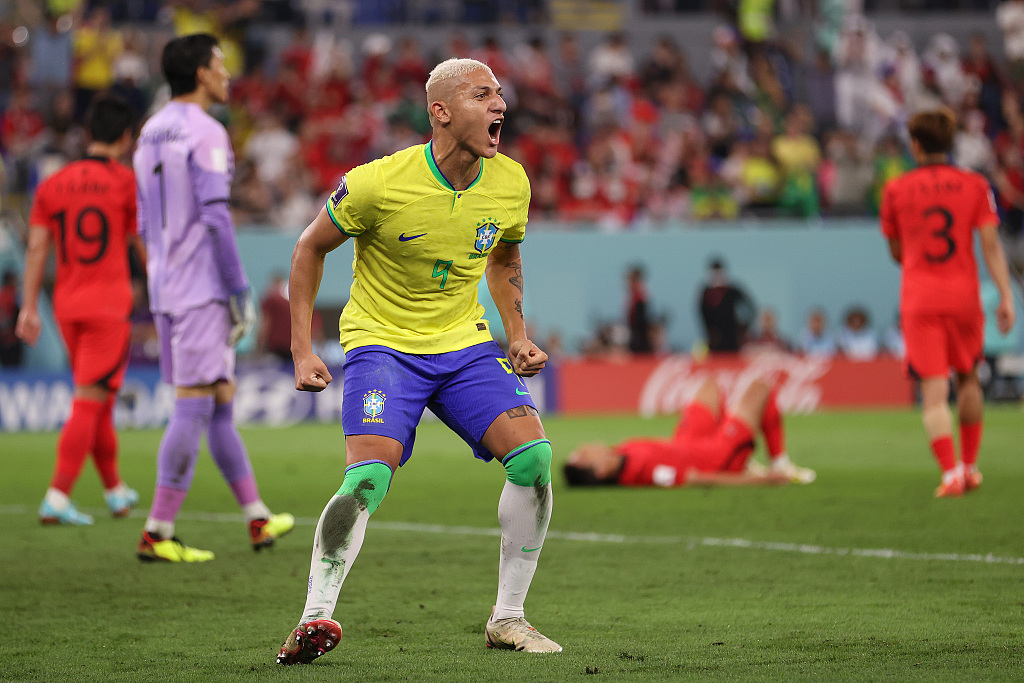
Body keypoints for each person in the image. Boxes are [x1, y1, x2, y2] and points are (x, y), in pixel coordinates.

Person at [278, 57, 561, 664]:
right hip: (383, 343)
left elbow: (505, 258)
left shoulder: (510, 181)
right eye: (482, 95)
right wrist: (302, 349)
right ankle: (314, 618)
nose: (499, 106)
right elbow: (308, 250)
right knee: (369, 477)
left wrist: (516, 332)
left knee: (534, 459)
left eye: (500, 95)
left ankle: (508, 618)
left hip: (463, 344)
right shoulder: (378, 183)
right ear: (440, 112)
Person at [133, 34, 294, 562]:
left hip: (165, 284)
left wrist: (160, 275)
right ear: (201, 73)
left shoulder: (150, 131)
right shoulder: (206, 131)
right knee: (193, 406)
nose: (228, 74)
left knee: (220, 402)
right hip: (200, 286)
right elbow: (216, 215)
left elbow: (141, 221)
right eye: (222, 64)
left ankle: (256, 517)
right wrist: (238, 287)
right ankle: (158, 531)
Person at [15, 95, 140, 525]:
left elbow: (35, 247)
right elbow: (143, 245)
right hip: (108, 307)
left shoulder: (51, 184)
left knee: (99, 399)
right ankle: (57, 495)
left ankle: (115, 492)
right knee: (90, 400)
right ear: (125, 137)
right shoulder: (126, 182)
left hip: (66, 307)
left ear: (87, 134)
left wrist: (30, 306)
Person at [880, 108, 1015, 497]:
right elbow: (990, 245)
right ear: (951, 143)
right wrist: (1006, 295)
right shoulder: (975, 185)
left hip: (921, 299)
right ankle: (971, 467)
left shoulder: (896, 190)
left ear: (916, 145)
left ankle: (950, 473)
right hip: (964, 298)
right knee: (969, 378)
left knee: (934, 392)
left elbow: (896, 252)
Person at [563, 375, 816, 488]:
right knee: (760, 388)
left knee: (709, 386)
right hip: (715, 455)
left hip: (689, 442)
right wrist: (763, 482)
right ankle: (778, 463)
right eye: (583, 454)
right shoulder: (647, 472)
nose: (586, 445)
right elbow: (697, 479)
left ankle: (739, 440)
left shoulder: (620, 453)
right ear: (600, 470)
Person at [698, 257, 755, 353]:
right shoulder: (706, 293)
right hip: (715, 342)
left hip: (732, 339)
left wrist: (743, 329)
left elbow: (750, 308)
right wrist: (709, 331)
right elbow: (701, 314)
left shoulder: (732, 291)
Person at [625, 264, 653, 354]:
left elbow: (641, 314)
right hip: (634, 328)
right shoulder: (633, 292)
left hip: (639, 328)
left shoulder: (640, 291)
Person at [0, 269, 23, 367]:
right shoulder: (13, 296)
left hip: (3, 340)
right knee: (14, 368)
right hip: (13, 339)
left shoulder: (2, 295)